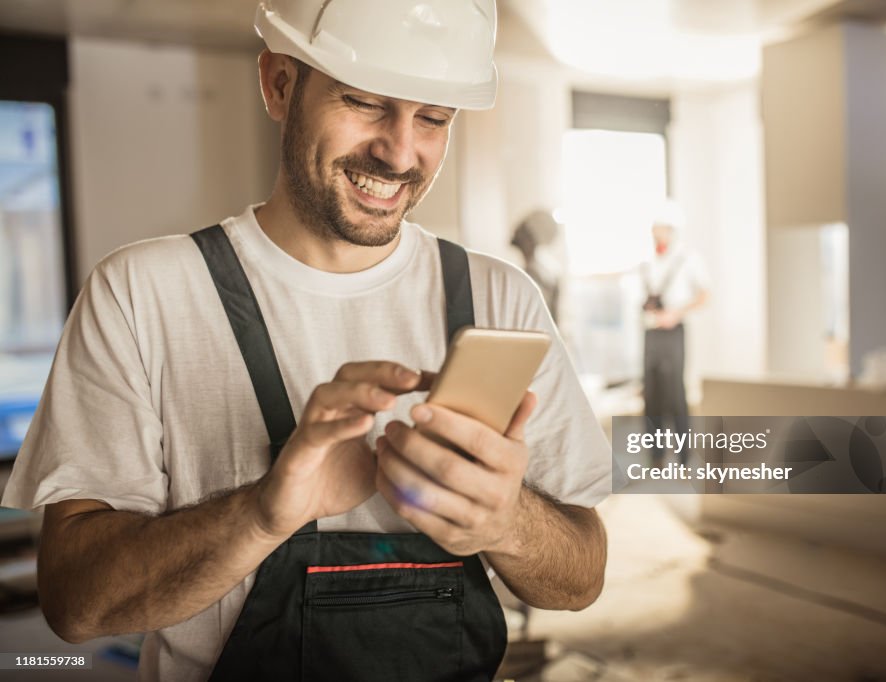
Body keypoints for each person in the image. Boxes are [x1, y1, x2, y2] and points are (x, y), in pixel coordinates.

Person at [0, 1, 611, 680]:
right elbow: (73, 603)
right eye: (365, 102)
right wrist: (263, 513)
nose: (400, 152)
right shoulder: (143, 294)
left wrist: (506, 524)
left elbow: (582, 577)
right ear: (279, 84)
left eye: (433, 118)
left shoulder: (500, 299)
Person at [641, 201, 710, 464]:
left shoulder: (687, 259)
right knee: (652, 395)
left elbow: (705, 295)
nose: (656, 232)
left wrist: (676, 313)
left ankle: (684, 457)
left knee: (675, 395)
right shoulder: (647, 261)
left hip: (673, 332)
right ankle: (656, 456)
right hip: (650, 331)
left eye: (660, 227)